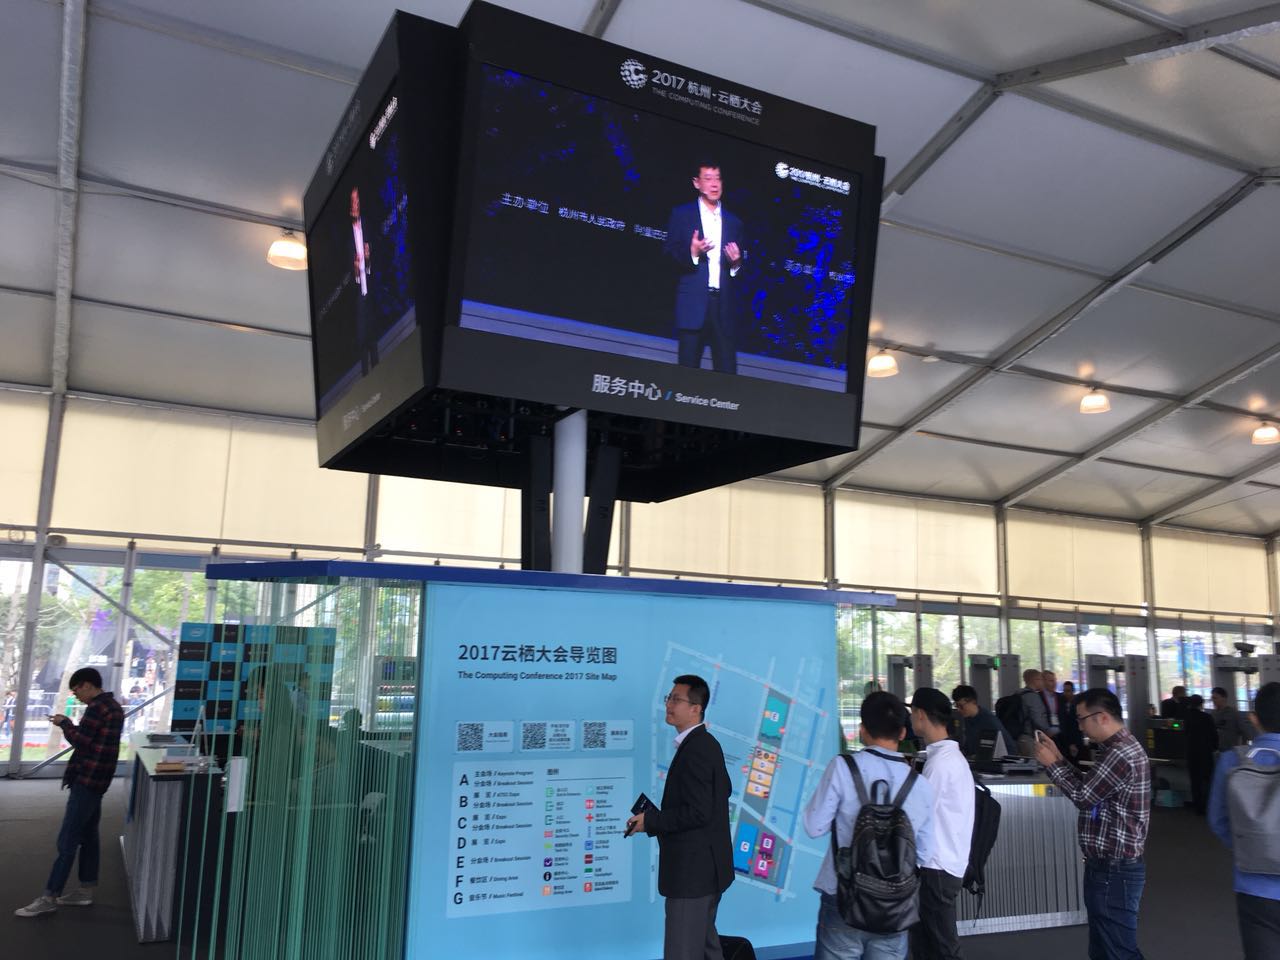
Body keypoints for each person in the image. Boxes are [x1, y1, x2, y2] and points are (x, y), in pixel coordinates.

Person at [803, 691, 935, 960]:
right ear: (902, 733)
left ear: (862, 730)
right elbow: (925, 853)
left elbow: (814, 827)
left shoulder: (843, 767)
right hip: (896, 903)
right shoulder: (921, 785)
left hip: (843, 894)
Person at [1035, 689, 1150, 960]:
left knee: (1117, 950)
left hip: (1114, 869)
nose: (1079, 726)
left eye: (1081, 719)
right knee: (1105, 947)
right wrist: (1060, 759)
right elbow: (1093, 787)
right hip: (1111, 867)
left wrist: (1052, 766)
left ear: (1102, 717)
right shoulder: (1116, 749)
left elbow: (1083, 797)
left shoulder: (1120, 753)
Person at [626, 675, 733, 960]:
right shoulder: (704, 744)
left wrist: (651, 821)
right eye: (668, 698)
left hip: (692, 876)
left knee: (682, 953)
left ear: (696, 708)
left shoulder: (697, 748)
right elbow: (721, 792)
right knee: (708, 950)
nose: (669, 704)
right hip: (704, 873)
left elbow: (699, 812)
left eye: (676, 699)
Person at [15, 668, 125, 917]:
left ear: (87, 685)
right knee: (89, 836)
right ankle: (85, 890)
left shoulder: (96, 708)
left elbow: (81, 741)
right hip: (100, 780)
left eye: (76, 691)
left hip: (86, 779)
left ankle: (49, 896)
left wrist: (64, 723)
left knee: (67, 840)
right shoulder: (114, 707)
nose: (77, 696)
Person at [1209, 681, 1280, 959]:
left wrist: (1250, 846)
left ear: (1254, 718)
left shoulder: (1231, 761)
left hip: (1253, 886)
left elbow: (1217, 820)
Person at [909, 688, 973, 960]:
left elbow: (917, 817)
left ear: (921, 715)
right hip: (945, 864)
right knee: (929, 944)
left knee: (941, 947)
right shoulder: (947, 758)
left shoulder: (940, 764)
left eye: (912, 712)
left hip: (936, 867)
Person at [663, 162, 745, 374]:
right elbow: (668, 255)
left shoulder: (734, 222)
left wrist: (736, 264)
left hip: (723, 307)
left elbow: (741, 269)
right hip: (693, 306)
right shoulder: (682, 215)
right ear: (697, 183)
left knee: (727, 377)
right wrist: (692, 252)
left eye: (717, 179)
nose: (714, 184)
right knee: (687, 377)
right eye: (708, 179)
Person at [350, 186, 378, 374]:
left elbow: (373, 262)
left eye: (358, 201)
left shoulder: (368, 227)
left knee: (373, 339)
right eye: (353, 202)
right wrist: (355, 270)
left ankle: (378, 372)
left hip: (371, 292)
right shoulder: (347, 238)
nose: (356, 205)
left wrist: (367, 261)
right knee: (362, 340)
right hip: (358, 295)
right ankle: (366, 376)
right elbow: (347, 275)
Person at [950, 684, 1014, 757]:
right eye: (956, 706)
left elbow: (1007, 748)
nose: (958, 710)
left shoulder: (989, 720)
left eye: (961, 706)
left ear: (973, 701)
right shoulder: (967, 718)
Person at [1184, 695, 1218, 816]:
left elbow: (1185, 734)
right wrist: (1215, 747)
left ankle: (1198, 807)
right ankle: (1208, 805)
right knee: (1207, 779)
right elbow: (1214, 735)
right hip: (1205, 752)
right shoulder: (1207, 717)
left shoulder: (1186, 717)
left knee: (1195, 780)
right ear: (1201, 704)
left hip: (1191, 753)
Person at [1016, 669, 1051, 757]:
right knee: (1035, 763)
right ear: (1036, 680)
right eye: (1041, 679)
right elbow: (1038, 719)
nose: (1043, 683)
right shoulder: (1033, 697)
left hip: (1018, 737)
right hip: (1030, 738)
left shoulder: (1018, 694)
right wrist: (1048, 730)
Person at [1212, 686, 1253, 752]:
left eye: (1215, 698)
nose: (1213, 700)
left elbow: (1245, 732)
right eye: (1212, 698)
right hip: (1217, 750)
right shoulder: (1213, 714)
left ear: (1224, 698)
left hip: (1230, 750)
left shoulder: (1233, 713)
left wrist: (1242, 748)